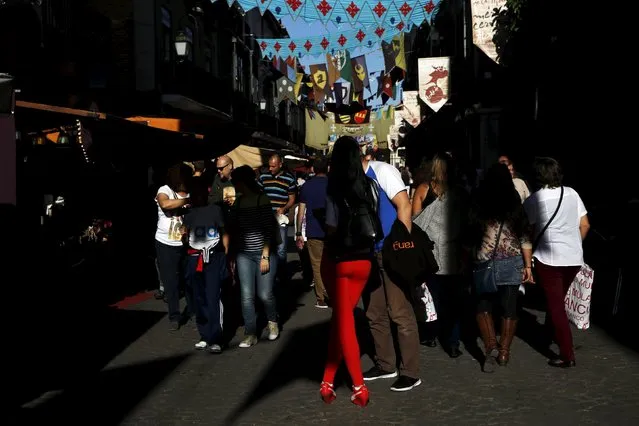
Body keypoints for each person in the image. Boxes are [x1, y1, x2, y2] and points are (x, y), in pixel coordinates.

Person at [320, 137, 379, 407]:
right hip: (365, 259)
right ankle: (328, 380)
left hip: (340, 259)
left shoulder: (334, 188)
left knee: (344, 323)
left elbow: (332, 227)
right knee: (340, 319)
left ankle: (358, 385)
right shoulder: (370, 186)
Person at [359, 142, 421, 392]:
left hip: (391, 250)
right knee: (374, 312)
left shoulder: (382, 171)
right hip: (367, 253)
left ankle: (411, 371)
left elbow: (404, 205)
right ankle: (386, 364)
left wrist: (402, 245)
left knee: (399, 311)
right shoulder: (349, 181)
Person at [523, 157, 590, 368]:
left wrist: (526, 263)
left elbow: (528, 234)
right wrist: (573, 244)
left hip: (549, 258)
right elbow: (585, 225)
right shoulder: (572, 193)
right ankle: (553, 335)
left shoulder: (534, 200)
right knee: (558, 300)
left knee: (556, 305)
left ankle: (567, 353)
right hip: (573, 257)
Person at [468, 163, 533, 372]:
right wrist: (528, 265)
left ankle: (490, 347)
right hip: (512, 259)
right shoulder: (514, 201)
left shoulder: (478, 200)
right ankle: (504, 351)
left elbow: (469, 232)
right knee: (509, 306)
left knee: (482, 305)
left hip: (484, 259)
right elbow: (524, 235)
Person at [228, 165, 280, 348]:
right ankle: (250, 333)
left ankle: (272, 321)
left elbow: (268, 229)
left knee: (265, 294)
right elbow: (233, 230)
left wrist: (265, 255)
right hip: (244, 255)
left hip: (263, 254)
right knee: (246, 295)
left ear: (242, 182)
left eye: (236, 182)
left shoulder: (262, 199)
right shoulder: (238, 203)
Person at [182, 177, 229, 353]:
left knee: (213, 296)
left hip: (214, 257)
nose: (197, 196)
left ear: (206, 193)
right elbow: (186, 237)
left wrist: (226, 254)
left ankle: (216, 337)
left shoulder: (215, 210)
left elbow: (224, 232)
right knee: (198, 297)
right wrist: (183, 236)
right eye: (194, 193)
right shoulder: (189, 214)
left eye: (200, 192)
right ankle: (204, 334)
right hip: (195, 258)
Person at [155, 163, 192, 331]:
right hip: (166, 243)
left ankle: (193, 309)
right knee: (171, 280)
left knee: (189, 278)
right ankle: (174, 316)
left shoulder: (190, 191)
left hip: (186, 242)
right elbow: (165, 205)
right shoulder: (165, 190)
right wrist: (186, 201)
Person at [296, 157, 329, 308]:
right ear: (327, 168)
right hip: (331, 230)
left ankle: (321, 297)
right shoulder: (333, 185)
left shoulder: (307, 187)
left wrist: (298, 232)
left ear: (313, 170)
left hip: (313, 230)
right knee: (331, 263)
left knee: (317, 265)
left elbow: (301, 212)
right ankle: (333, 293)